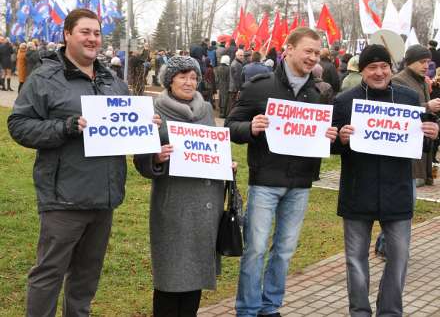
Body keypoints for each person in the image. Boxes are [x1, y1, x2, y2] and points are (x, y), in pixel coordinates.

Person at [7, 9, 143, 317]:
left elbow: (128, 132)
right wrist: (65, 127)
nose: (93, 38)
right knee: (49, 274)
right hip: (63, 197)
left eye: (96, 33)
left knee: (86, 279)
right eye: (85, 32)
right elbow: (19, 125)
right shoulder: (45, 77)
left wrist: (149, 127)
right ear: (67, 34)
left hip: (104, 196)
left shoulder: (112, 80)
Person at [225, 27, 338, 317]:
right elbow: (230, 126)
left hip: (300, 184)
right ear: (288, 48)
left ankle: (270, 307)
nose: (313, 57)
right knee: (256, 250)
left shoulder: (319, 93)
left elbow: (323, 138)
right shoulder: (259, 86)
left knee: (285, 251)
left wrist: (331, 136)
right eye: (307, 51)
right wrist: (250, 128)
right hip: (265, 182)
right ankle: (248, 310)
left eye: (316, 52)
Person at [331, 44, 439, 317]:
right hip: (357, 192)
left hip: (397, 192)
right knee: (355, 260)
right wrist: (341, 140)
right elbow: (332, 146)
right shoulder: (344, 101)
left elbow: (420, 147)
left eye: (384, 67)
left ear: (391, 68)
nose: (379, 73)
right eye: (372, 68)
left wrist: (431, 134)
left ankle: (390, 312)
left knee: (399, 258)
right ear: (363, 70)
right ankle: (360, 312)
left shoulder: (408, 98)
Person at [133, 56, 224, 316]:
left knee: (196, 274)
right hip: (173, 204)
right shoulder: (154, 111)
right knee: (171, 275)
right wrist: (155, 157)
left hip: (206, 203)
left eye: (193, 77)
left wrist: (224, 163)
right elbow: (141, 161)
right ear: (169, 80)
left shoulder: (206, 109)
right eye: (182, 76)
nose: (189, 82)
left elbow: (212, 147)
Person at [393, 45, 440, 187]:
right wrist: (427, 106)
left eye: (428, 62)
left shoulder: (423, 81)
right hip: (406, 142)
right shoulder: (398, 81)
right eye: (422, 61)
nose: (426, 66)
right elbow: (398, 111)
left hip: (423, 141)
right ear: (410, 61)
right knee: (408, 188)